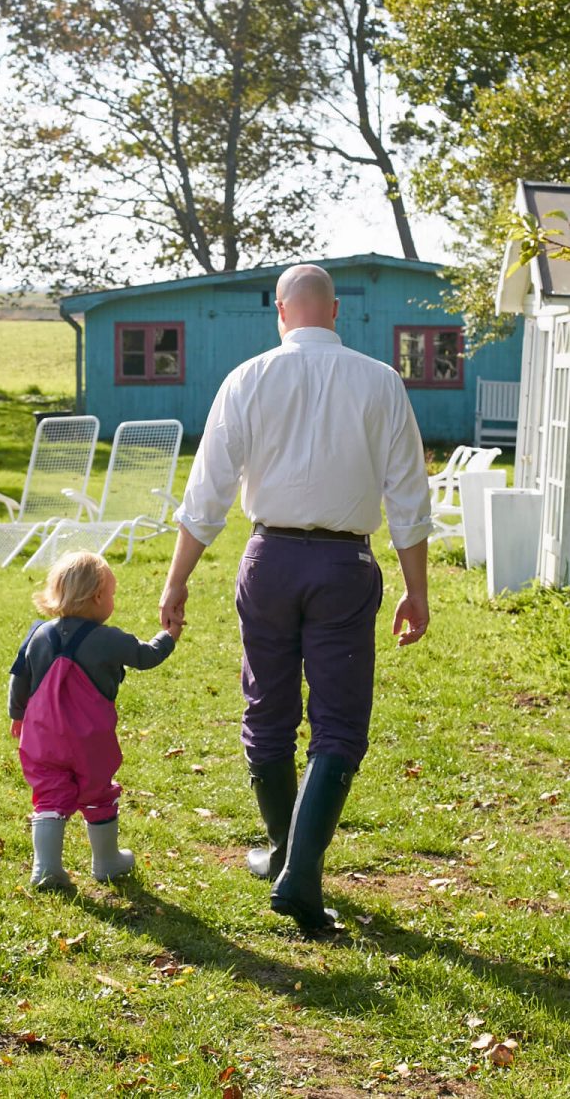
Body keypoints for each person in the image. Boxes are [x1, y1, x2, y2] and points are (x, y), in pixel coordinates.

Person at [159, 263, 431, 933]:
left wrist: (177, 578)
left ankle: (289, 857)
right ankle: (296, 868)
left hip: (269, 559)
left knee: (268, 710)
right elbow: (408, 496)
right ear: (334, 311)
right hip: (344, 564)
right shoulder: (380, 381)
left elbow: (209, 492)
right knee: (338, 723)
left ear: (279, 311)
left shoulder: (246, 379)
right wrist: (416, 589)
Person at [9, 550, 181, 889]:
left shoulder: (38, 634)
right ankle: (106, 862)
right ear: (99, 596)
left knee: (49, 794)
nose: (113, 600)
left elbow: (19, 678)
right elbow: (146, 656)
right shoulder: (108, 639)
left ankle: (45, 868)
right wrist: (169, 637)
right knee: (98, 792)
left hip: (43, 737)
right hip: (90, 740)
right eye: (113, 593)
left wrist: (17, 715)